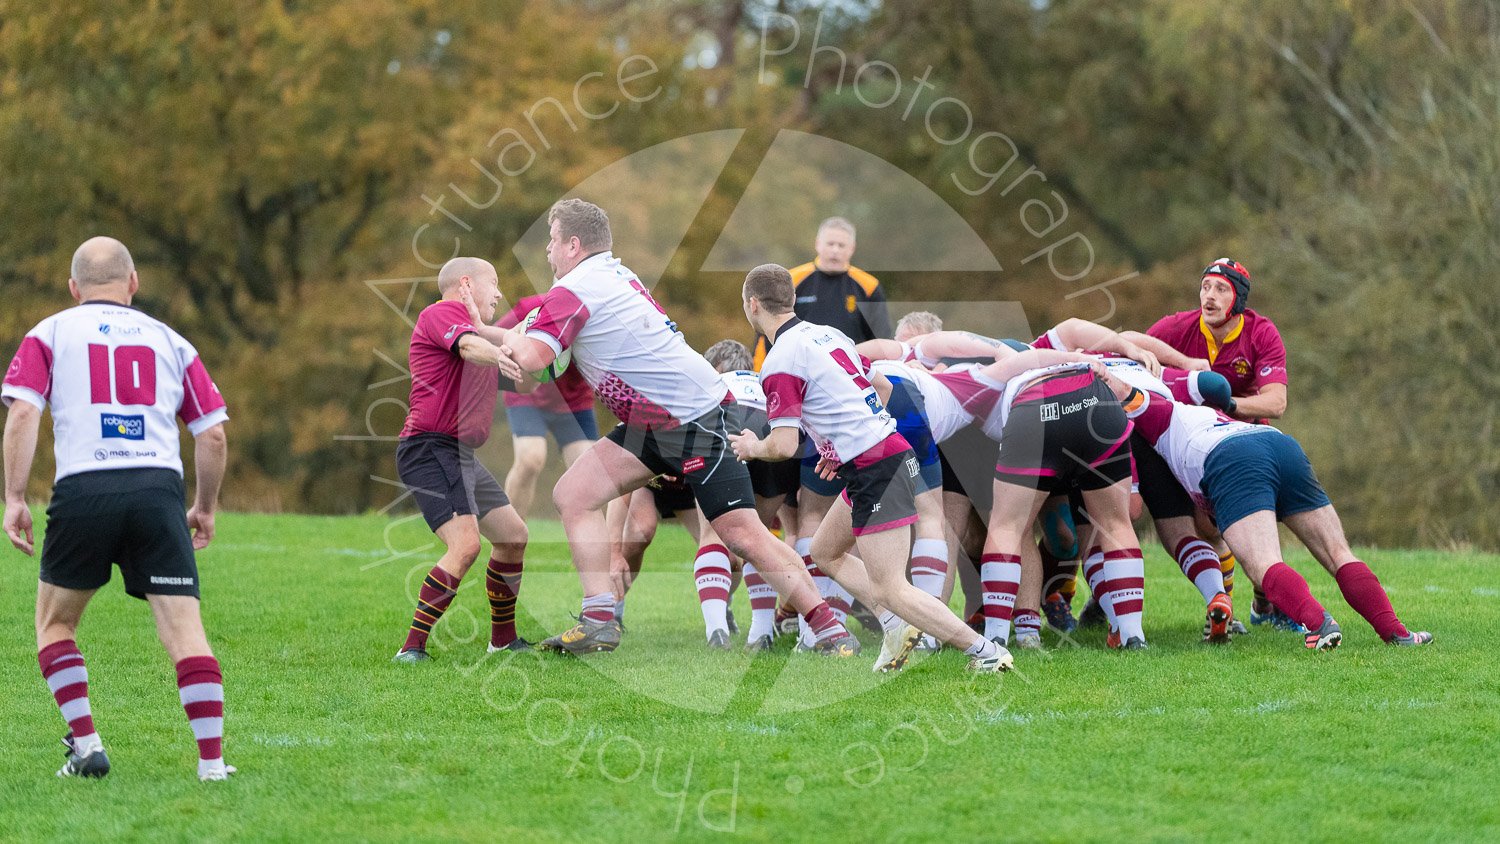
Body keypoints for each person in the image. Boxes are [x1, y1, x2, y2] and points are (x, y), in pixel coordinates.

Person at [486, 200, 856, 656]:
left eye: (552, 240)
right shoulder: (615, 274)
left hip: (691, 419)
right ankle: (599, 618)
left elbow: (534, 360)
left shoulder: (575, 289)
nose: (546, 251)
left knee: (744, 535)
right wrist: (506, 336)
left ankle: (830, 630)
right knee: (572, 495)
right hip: (654, 421)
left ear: (572, 245)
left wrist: (515, 343)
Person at [2, 237, 232, 781]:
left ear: (73, 288)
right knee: (185, 634)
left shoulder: (49, 332)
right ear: (133, 283)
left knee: (55, 626)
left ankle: (86, 747)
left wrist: (13, 497)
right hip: (157, 492)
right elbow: (214, 435)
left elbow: (21, 417)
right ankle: (213, 765)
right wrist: (203, 506)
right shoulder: (171, 340)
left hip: (84, 491)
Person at [731, 263, 1013, 674]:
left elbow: (784, 444)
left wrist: (752, 447)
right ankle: (896, 626)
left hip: (876, 467)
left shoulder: (778, 361)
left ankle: (984, 652)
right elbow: (881, 388)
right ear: (790, 301)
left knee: (891, 586)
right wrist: (839, 444)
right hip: (877, 457)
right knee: (826, 551)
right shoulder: (830, 335)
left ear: (752, 305)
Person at [1102, 373, 1432, 649]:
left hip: (1232, 458)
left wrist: (1093, 368)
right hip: (1279, 445)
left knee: (1262, 565)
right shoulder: (1207, 415)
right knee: (1338, 552)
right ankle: (1398, 633)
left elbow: (1121, 391)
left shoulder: (1164, 412)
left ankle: (1321, 624)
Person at [752, 218, 893, 638]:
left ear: (852, 248)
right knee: (792, 515)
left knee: (814, 517)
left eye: (842, 244)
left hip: (832, 418)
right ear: (817, 243)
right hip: (796, 408)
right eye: (829, 243)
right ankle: (801, 610)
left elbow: (881, 345)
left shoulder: (866, 286)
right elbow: (766, 347)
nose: (834, 250)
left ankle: (811, 615)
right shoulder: (791, 280)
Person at [391, 257, 536, 663]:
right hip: (430, 447)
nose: (500, 293)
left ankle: (503, 641)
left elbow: (530, 366)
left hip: (459, 454)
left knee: (512, 536)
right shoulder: (442, 313)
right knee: (466, 545)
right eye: (495, 283)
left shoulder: (479, 335)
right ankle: (411, 648)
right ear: (468, 285)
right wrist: (497, 347)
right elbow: (469, 347)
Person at [1144, 258, 1292, 632]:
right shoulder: (1178, 327)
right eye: (1205, 287)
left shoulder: (1261, 333)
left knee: (1254, 532)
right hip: (1195, 446)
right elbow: (1128, 344)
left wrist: (1227, 403)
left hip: (1246, 443)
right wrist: (1171, 362)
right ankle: (1227, 608)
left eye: (1221, 289)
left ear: (1238, 300)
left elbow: (1277, 403)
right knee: (1207, 528)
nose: (1209, 297)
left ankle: (1267, 600)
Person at [495, 293, 598, 519]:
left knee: (590, 473)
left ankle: (591, 547)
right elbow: (496, 335)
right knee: (531, 458)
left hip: (575, 401)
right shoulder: (532, 307)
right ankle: (509, 539)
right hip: (527, 396)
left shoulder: (595, 310)